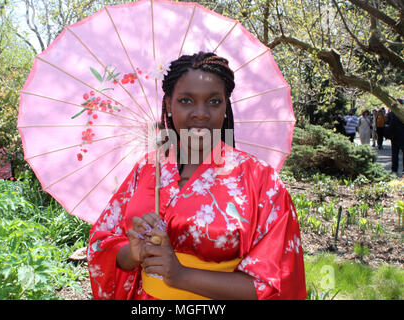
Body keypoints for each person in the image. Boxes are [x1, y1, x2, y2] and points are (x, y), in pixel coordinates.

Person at [87, 52, 307, 300]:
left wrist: (180, 275)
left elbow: (277, 283)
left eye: (214, 101)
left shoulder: (261, 181)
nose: (200, 113)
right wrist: (133, 253)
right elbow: (101, 243)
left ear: (226, 106)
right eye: (186, 101)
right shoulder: (147, 167)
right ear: (169, 104)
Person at [385, 99, 404, 177]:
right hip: (396, 137)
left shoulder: (391, 114)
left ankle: (394, 170)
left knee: (395, 154)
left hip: (397, 136)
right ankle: (395, 170)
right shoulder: (390, 114)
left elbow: (387, 125)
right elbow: (387, 125)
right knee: (395, 155)